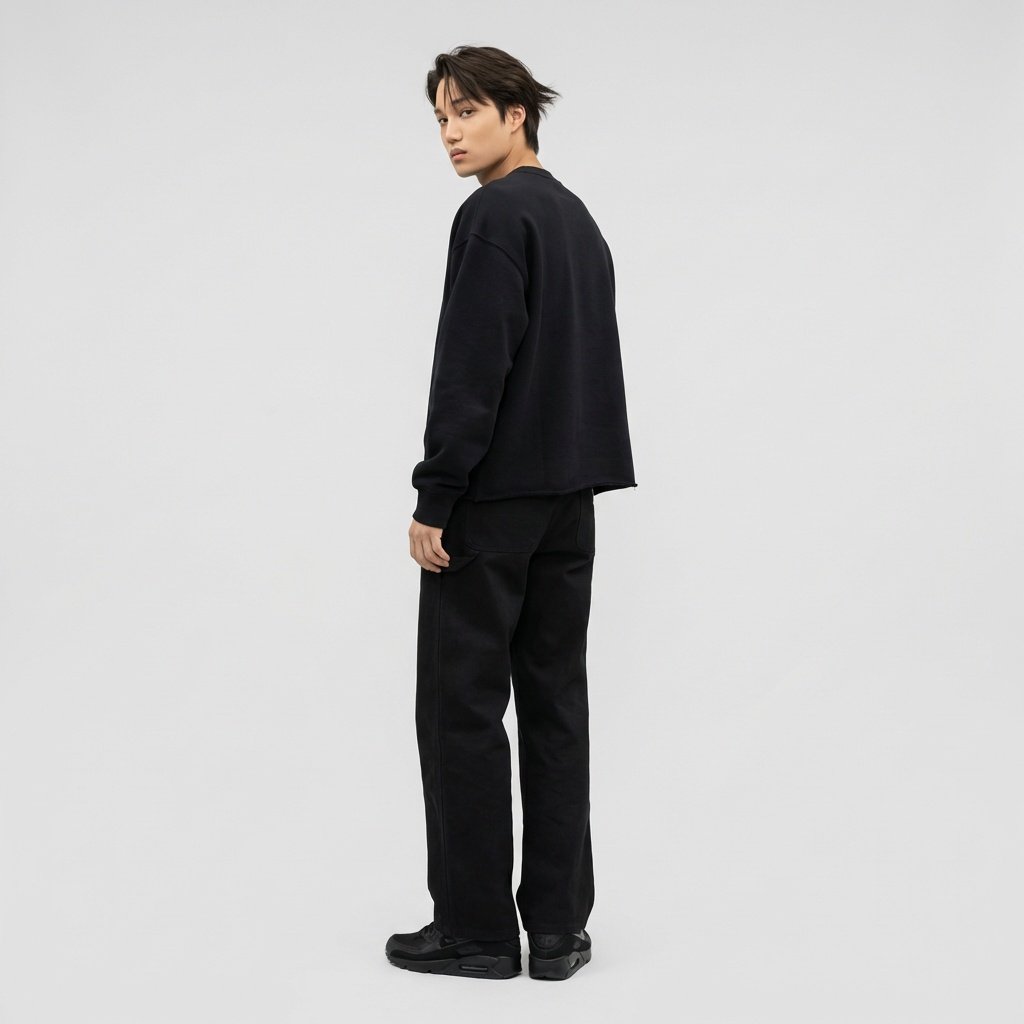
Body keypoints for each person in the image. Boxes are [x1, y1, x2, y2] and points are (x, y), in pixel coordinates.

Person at [386, 45, 637, 982]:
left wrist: (437, 493)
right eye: (440, 118)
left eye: (466, 112)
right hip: (570, 502)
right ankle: (561, 930)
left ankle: (478, 930)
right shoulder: (577, 219)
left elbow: (472, 365)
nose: (450, 134)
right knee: (555, 704)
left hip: (492, 504)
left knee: (459, 708)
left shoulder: (493, 215)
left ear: (515, 113)